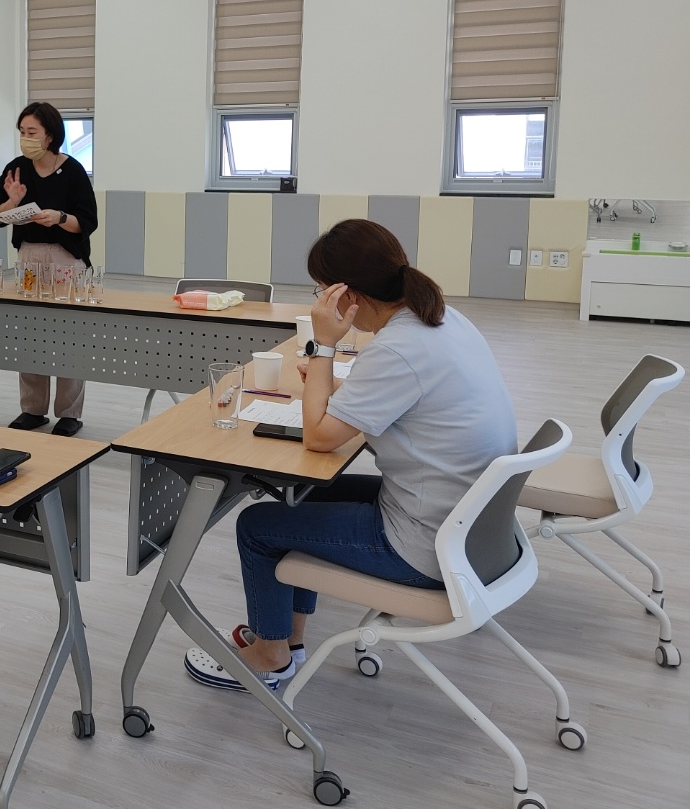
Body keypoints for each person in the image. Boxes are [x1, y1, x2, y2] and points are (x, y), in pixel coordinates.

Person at [186, 218, 518, 692]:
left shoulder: (399, 348)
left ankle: (269, 658)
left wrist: (323, 346)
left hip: (427, 546)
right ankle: (289, 638)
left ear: (348, 294)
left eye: (322, 289)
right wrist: (336, 386)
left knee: (257, 526)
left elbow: (320, 437)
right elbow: (401, 398)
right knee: (305, 496)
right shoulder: (441, 319)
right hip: (471, 526)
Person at [0, 102, 98, 437]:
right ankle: (33, 409)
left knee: (69, 336)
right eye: (22, 132)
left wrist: (59, 218)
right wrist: (13, 200)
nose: (25, 138)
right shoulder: (16, 168)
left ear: (50, 135)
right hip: (29, 257)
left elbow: (88, 222)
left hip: (66, 259)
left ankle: (69, 412)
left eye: (32, 132)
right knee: (30, 333)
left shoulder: (73, 171)